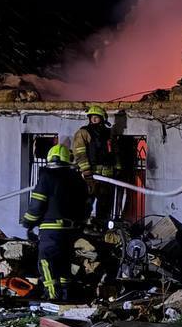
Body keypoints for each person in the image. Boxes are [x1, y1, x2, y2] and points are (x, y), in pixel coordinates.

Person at [22, 144, 88, 300]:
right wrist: (80, 223)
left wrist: (28, 222)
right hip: (71, 230)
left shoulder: (47, 176)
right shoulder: (77, 178)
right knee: (64, 262)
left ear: (50, 158)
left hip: (51, 229)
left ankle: (52, 295)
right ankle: (66, 295)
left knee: (46, 261)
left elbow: (37, 203)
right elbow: (86, 205)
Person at [71, 104, 119, 225]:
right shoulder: (83, 132)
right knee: (86, 203)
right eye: (91, 117)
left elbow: (114, 151)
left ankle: (101, 228)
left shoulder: (108, 133)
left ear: (102, 119)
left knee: (105, 204)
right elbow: (79, 153)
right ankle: (80, 226)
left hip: (106, 176)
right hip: (90, 176)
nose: (93, 119)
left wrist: (118, 167)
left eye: (96, 117)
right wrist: (86, 171)